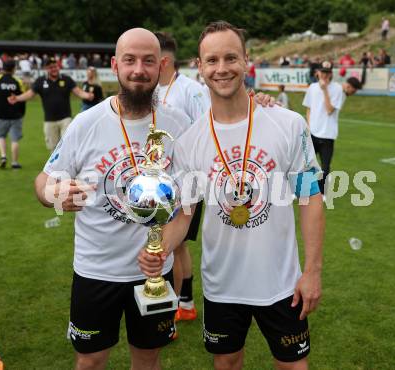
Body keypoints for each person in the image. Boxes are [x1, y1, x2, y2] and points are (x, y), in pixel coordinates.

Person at [140, 20, 325, 370]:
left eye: (230, 58)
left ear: (245, 61)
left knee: (293, 367)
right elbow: (185, 214)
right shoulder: (191, 140)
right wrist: (161, 246)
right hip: (222, 284)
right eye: (212, 60)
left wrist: (312, 271)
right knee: (226, 363)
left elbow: (310, 198)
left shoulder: (287, 123)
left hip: (281, 281)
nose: (221, 68)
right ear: (199, 66)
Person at [34, 28, 190, 370]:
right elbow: (44, 180)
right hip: (95, 269)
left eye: (148, 61)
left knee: (148, 359)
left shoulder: (179, 125)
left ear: (161, 65)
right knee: (90, 360)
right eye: (130, 60)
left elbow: (187, 208)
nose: (139, 69)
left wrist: (162, 248)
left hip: (153, 272)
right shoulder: (86, 123)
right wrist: (53, 193)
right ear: (115, 65)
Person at [155, 31, 210, 322]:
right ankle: (185, 304)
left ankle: (169, 311)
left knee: (169, 244)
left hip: (186, 183)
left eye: (150, 58)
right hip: (159, 183)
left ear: (163, 61)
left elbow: (207, 133)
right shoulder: (152, 90)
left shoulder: (191, 90)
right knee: (178, 246)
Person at [8, 57, 94, 151]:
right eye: (51, 67)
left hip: (66, 119)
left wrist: (87, 95)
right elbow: (30, 94)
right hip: (49, 120)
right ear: (46, 69)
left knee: (68, 145)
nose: (54, 69)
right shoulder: (40, 81)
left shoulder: (66, 79)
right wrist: (17, 98)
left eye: (55, 66)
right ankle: (56, 166)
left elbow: (78, 92)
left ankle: (69, 165)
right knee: (53, 148)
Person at [302, 62, 361, 195]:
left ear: (330, 74)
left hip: (328, 134)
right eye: (321, 72)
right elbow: (308, 109)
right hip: (313, 132)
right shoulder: (312, 87)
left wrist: (325, 90)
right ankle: (303, 189)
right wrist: (309, 126)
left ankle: (321, 193)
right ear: (318, 73)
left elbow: (329, 110)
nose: (323, 75)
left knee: (325, 166)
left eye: (326, 72)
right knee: (306, 163)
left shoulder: (338, 90)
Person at [0, 59, 26, 169]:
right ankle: (14, 162)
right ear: (14, 69)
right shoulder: (18, 81)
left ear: (2, 68)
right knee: (14, 139)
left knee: (0, 136)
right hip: (16, 115)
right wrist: (22, 113)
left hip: (0, 114)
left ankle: (3, 156)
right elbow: (22, 99)